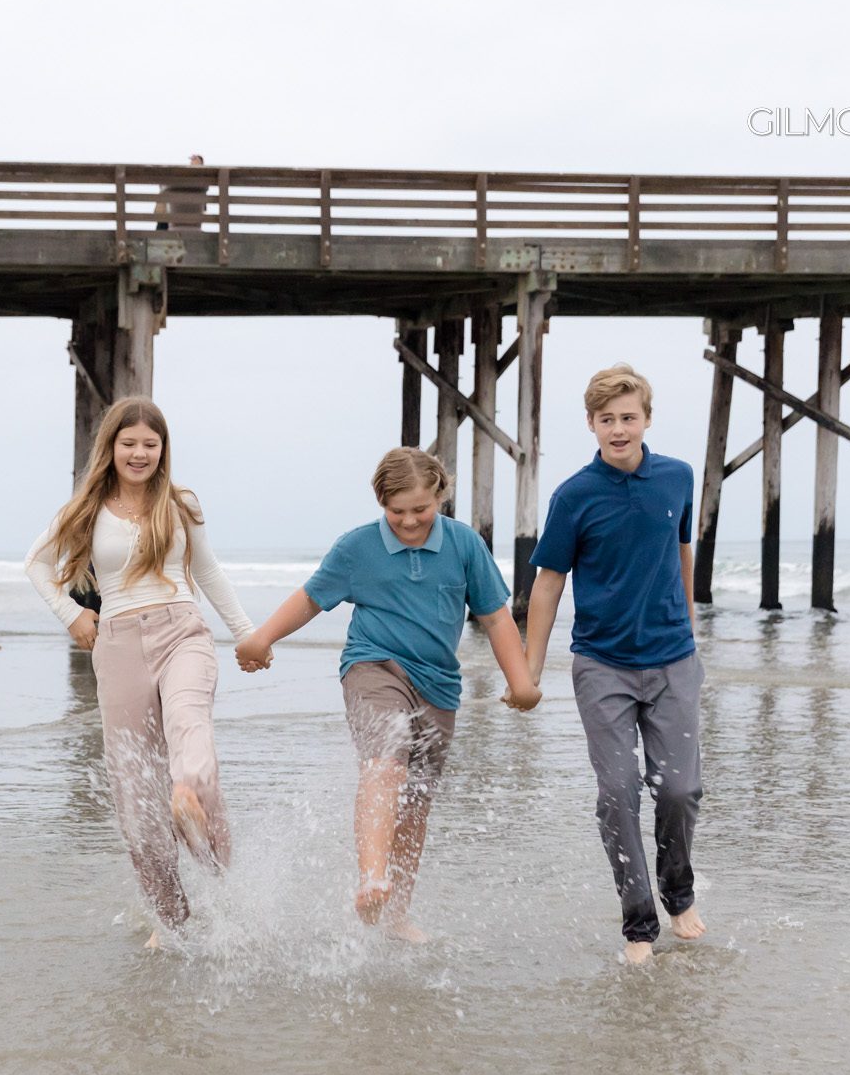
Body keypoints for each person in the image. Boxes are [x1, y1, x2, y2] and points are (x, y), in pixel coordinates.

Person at [236, 448, 539, 942]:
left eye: (420, 510)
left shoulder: (464, 544)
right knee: (386, 760)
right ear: (381, 504)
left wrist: (520, 681)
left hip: (439, 685)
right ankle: (372, 877)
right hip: (372, 666)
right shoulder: (357, 547)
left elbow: (496, 616)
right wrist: (262, 637)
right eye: (396, 512)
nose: (409, 521)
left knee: (416, 802)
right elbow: (311, 598)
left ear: (440, 495)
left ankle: (396, 914)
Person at [25, 397, 254, 947]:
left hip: (183, 630)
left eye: (150, 444)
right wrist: (73, 614)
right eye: (129, 443)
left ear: (162, 450)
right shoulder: (85, 509)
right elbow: (35, 564)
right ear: (111, 446)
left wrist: (247, 634)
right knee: (136, 793)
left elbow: (208, 571)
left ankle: (217, 871)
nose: (140, 453)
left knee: (189, 725)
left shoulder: (180, 503)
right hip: (118, 643)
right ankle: (171, 919)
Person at [519, 364, 706, 966]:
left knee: (679, 789)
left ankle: (679, 894)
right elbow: (548, 585)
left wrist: (691, 628)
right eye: (607, 420)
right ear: (592, 425)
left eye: (629, 418)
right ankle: (639, 924)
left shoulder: (677, 477)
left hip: (674, 659)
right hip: (602, 665)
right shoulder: (574, 495)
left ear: (646, 419)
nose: (619, 429)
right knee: (619, 791)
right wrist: (528, 671)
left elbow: (681, 551)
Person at [154, 154, 209, 232]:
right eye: (192, 160)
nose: (191, 161)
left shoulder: (200, 179)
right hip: (173, 212)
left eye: (194, 159)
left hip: (185, 213)